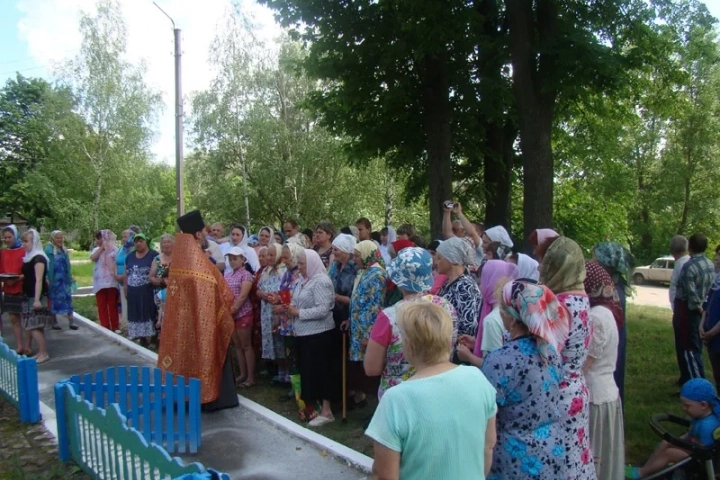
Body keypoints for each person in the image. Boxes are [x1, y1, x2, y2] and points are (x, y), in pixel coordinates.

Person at [366, 301, 497, 480]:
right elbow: (488, 446)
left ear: (409, 346)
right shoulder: (478, 379)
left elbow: (384, 475)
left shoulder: (396, 399)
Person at [481, 280, 570, 480]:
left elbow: (482, 413)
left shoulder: (500, 361)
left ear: (512, 318)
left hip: (514, 460)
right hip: (551, 452)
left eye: (501, 309)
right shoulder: (550, 351)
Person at [158, 209, 238, 411]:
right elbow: (218, 289)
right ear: (197, 234)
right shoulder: (197, 261)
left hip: (182, 324)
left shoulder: (181, 258)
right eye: (204, 232)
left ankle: (182, 397)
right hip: (203, 323)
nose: (207, 236)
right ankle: (211, 397)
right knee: (204, 355)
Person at [364, 247, 458, 398]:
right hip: (439, 389)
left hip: (400, 396)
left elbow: (371, 368)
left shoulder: (389, 317)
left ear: (398, 279)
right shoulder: (447, 308)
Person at [540, 236, 595, 479]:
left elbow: (543, 353)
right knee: (576, 456)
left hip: (556, 393)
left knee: (558, 460)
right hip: (577, 389)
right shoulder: (583, 300)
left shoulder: (558, 305)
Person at [625, 378, 720, 479]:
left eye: (687, 406)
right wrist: (675, 441)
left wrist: (679, 445)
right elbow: (689, 434)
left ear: (703, 405)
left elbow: (703, 450)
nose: (684, 408)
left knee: (670, 453)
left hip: (701, 461)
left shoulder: (707, 425)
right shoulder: (701, 417)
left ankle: (641, 473)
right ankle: (649, 467)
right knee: (665, 443)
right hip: (695, 451)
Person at [283, 249, 337, 427]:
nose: (299, 267)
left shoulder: (321, 281)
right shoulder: (303, 280)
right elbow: (298, 300)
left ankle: (327, 411)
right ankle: (313, 407)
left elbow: (324, 309)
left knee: (321, 371)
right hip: (304, 333)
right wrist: (291, 307)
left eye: (303, 263)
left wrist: (298, 312)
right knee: (309, 372)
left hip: (319, 334)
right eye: (298, 263)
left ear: (312, 263)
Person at [583, 261, 624, 480]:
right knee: (605, 455)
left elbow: (585, 365)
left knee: (594, 454)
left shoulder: (596, 317)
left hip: (595, 396)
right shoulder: (606, 311)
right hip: (607, 392)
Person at [592, 241, 636, 402]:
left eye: (594, 259)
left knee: (613, 376)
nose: (591, 262)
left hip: (609, 341)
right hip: (613, 338)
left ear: (605, 264)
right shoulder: (613, 285)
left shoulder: (610, 291)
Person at [457, 260, 520, 367]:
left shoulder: (492, 320)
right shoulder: (514, 310)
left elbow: (494, 367)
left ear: (491, 284)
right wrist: (477, 343)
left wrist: (469, 357)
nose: (480, 286)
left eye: (482, 281)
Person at [348, 240, 387, 407]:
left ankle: (376, 408)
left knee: (371, 370)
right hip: (358, 327)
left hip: (367, 330)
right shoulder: (366, 271)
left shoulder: (377, 274)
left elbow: (375, 307)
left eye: (357, 255)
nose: (355, 259)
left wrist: (369, 336)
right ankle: (362, 399)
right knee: (360, 368)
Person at [673, 234, 715, 386]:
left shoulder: (689, 267)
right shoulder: (710, 263)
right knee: (697, 346)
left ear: (689, 247)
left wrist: (699, 310)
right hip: (705, 311)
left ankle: (697, 383)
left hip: (689, 312)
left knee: (689, 348)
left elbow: (691, 296)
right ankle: (690, 380)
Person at [273, 242, 306, 405]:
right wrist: (277, 302)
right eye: (283, 257)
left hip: (298, 322)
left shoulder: (300, 274)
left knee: (298, 358)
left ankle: (301, 391)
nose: (284, 260)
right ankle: (295, 389)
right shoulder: (286, 274)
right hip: (286, 322)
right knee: (290, 356)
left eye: (287, 257)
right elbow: (284, 294)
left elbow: (299, 298)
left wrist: (283, 306)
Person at [17, 229, 52, 364]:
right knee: (34, 326)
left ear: (34, 241)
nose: (24, 244)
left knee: (33, 326)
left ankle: (43, 353)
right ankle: (40, 352)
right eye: (23, 241)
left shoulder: (39, 258)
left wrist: (37, 299)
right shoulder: (30, 257)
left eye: (26, 241)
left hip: (34, 296)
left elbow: (38, 279)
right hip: (28, 294)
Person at [436, 237, 482, 337]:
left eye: (440, 258)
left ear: (452, 261)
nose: (436, 262)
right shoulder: (448, 282)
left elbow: (468, 325)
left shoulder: (465, 287)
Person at [224, 246, 256, 388]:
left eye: (235, 259)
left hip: (242, 313)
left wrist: (235, 308)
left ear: (243, 259)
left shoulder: (246, 275)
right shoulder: (228, 275)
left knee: (246, 345)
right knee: (237, 345)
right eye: (230, 259)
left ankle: (250, 377)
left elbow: (243, 295)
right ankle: (242, 374)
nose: (232, 262)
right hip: (232, 314)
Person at [257, 243, 287, 379]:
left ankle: (287, 374)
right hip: (266, 312)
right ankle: (279, 372)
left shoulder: (284, 271)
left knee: (281, 342)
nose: (268, 257)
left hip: (279, 311)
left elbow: (288, 292)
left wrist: (278, 298)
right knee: (272, 341)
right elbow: (258, 289)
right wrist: (262, 294)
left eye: (271, 255)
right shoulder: (265, 271)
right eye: (267, 254)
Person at [123, 234, 158, 346]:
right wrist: (125, 287)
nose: (138, 243)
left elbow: (158, 272)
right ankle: (141, 337)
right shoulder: (130, 256)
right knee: (136, 312)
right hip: (133, 291)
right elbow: (126, 273)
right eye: (136, 241)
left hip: (147, 290)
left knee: (149, 312)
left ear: (145, 242)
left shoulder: (154, 255)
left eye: (141, 241)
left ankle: (153, 337)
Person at [0, 226, 30, 354]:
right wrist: (5, 279)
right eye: (5, 237)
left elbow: (29, 270)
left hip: (21, 287)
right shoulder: (3, 253)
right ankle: (19, 345)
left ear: (15, 236)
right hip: (8, 288)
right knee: (13, 318)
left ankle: (28, 345)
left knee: (26, 318)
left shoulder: (24, 251)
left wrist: (18, 279)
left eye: (9, 237)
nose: (7, 240)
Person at [44, 230, 77, 330]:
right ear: (53, 239)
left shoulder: (64, 250)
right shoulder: (49, 250)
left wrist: (70, 276)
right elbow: (46, 266)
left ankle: (71, 322)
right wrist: (46, 278)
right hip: (54, 280)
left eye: (61, 237)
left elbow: (67, 264)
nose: (60, 240)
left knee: (68, 299)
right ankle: (54, 322)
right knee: (53, 300)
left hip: (64, 280)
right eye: (57, 238)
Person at [92, 230, 120, 333]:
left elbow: (117, 262)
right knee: (101, 304)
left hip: (111, 281)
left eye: (100, 238)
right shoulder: (96, 250)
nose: (98, 240)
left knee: (112, 304)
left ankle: (115, 326)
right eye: (98, 239)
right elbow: (93, 258)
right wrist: (102, 248)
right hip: (100, 282)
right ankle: (105, 325)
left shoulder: (114, 250)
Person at [149, 234, 174, 330]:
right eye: (164, 242)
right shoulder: (157, 259)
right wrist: (158, 281)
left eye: (169, 242)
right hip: (161, 292)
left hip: (176, 292)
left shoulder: (179, 258)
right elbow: (151, 277)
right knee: (161, 316)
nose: (166, 244)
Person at [701, 263, 720, 388]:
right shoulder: (716, 282)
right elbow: (706, 306)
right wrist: (701, 325)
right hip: (712, 338)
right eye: (717, 254)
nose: (716, 258)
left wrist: (712, 332)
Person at [116, 228, 136, 330]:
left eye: (126, 236)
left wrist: (124, 277)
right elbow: (117, 263)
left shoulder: (134, 250)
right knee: (124, 304)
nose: (124, 239)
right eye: (122, 237)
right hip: (120, 282)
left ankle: (132, 327)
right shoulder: (121, 249)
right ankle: (126, 325)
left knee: (131, 304)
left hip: (130, 281)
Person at [669, 235, 691, 309]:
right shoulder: (691, 261)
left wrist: (673, 306)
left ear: (672, 250)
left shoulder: (680, 265)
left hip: (682, 306)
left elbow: (674, 287)